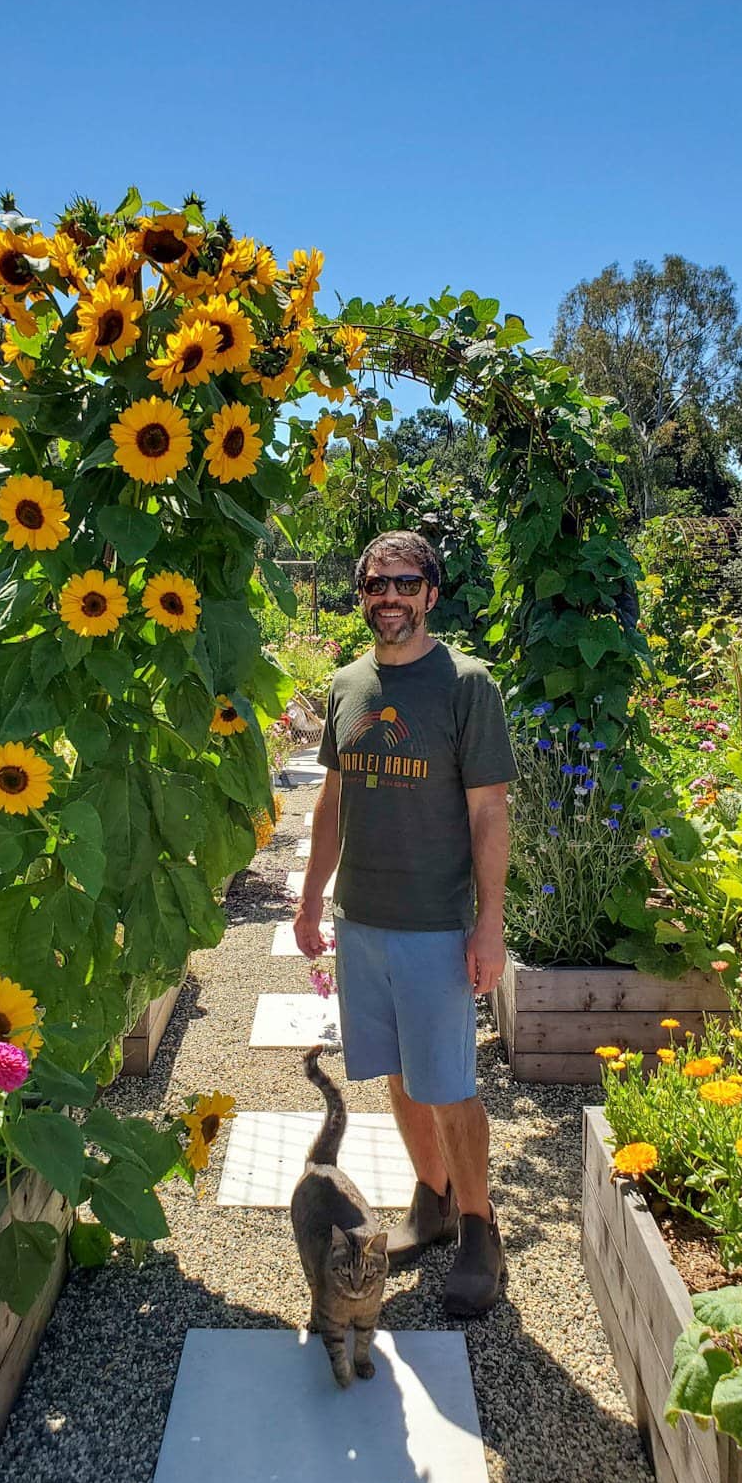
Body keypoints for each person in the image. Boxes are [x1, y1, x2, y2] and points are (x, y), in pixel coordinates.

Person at [293, 529, 515, 1316]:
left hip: (434, 922)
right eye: (374, 584)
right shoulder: (347, 684)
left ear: (430, 593)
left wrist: (489, 925)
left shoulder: (466, 684)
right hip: (362, 919)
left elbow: (490, 811)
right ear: (363, 595)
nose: (389, 596)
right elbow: (334, 798)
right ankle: (432, 1200)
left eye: (404, 583)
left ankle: (481, 1231)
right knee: (396, 1073)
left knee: (449, 1083)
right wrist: (314, 894)